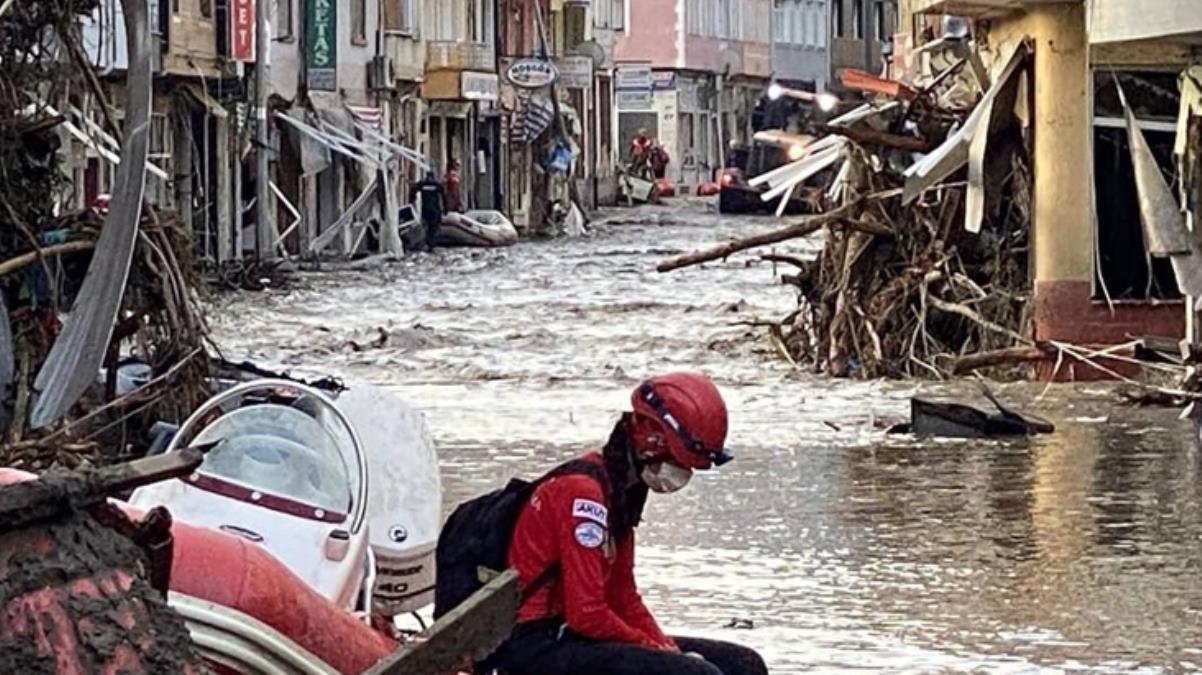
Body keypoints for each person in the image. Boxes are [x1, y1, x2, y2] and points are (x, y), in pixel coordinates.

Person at [490, 372, 769, 675]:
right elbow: (587, 613)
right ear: (652, 436)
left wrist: (666, 647)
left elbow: (623, 597)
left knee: (744, 664)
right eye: (680, 461)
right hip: (532, 645)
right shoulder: (583, 496)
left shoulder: (620, 492)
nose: (682, 472)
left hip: (569, 634)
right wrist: (652, 647)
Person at [408, 171, 445, 251]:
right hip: (435, 210)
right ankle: (431, 244)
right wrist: (445, 209)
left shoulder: (423, 184)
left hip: (425, 209)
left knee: (427, 226)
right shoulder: (437, 184)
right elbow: (444, 196)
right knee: (433, 228)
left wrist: (412, 200)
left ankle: (428, 243)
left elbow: (413, 189)